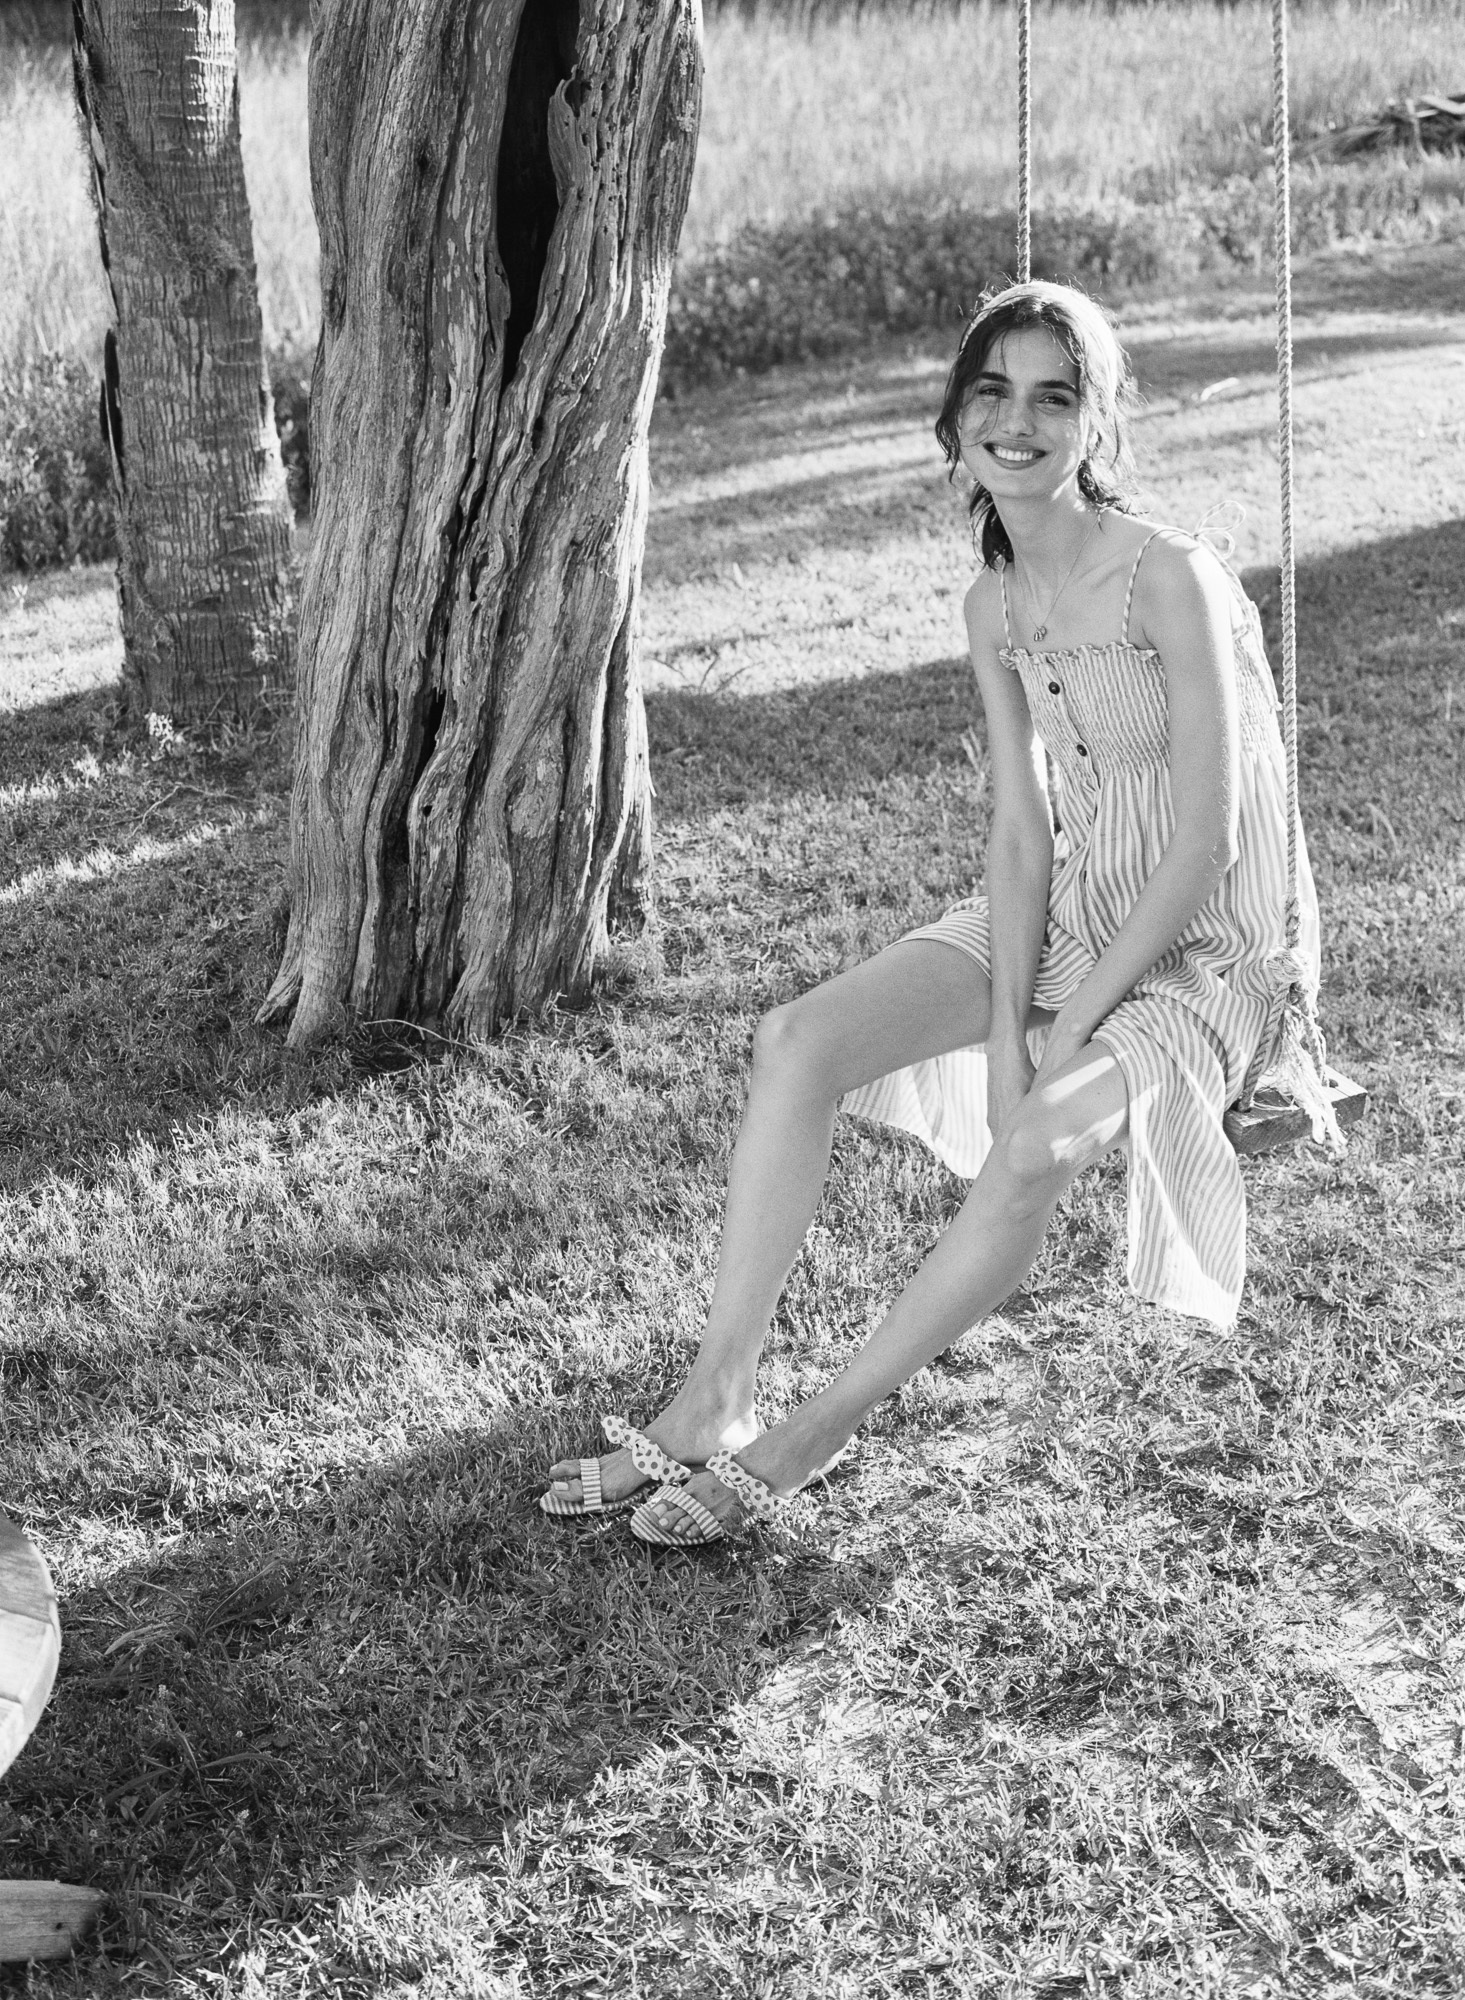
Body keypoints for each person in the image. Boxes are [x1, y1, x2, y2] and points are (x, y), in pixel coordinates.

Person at [540, 279, 1326, 1548]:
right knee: (796, 1041)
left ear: (1096, 425)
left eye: (1054, 398)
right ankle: (714, 1396)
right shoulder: (992, 603)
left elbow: (1206, 847)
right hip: (1067, 904)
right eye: (992, 392)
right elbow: (1020, 826)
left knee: (1033, 1147)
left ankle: (818, 1426)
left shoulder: (1168, 576)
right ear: (955, 418)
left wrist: (1067, 1039)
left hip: (1201, 950)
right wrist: (1010, 1023)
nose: (1018, 422)